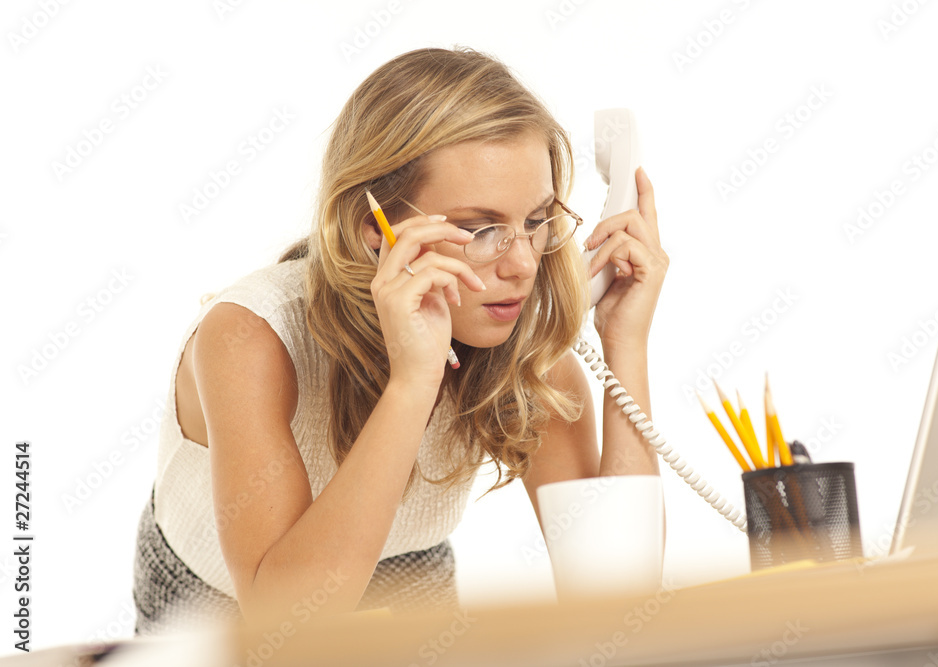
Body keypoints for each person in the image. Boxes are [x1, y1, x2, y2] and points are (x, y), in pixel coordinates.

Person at [132, 45, 668, 635]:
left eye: (536, 221)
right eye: (479, 229)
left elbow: (615, 603)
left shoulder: (524, 354)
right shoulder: (250, 337)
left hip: (406, 574)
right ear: (376, 229)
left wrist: (625, 343)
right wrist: (414, 382)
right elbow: (285, 628)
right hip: (220, 607)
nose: (522, 265)